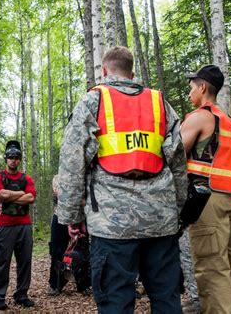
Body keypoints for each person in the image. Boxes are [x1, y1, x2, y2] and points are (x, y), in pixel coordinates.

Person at [57, 46, 187, 313]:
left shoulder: (93, 101)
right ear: (133, 73)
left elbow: (72, 161)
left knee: (115, 301)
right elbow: (178, 161)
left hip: (111, 224)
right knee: (166, 299)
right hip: (160, 221)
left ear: (104, 71)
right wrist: (178, 210)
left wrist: (71, 216)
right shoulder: (159, 102)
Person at [181, 65, 231, 313]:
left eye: (192, 87)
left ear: (202, 87)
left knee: (212, 268)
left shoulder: (200, 117)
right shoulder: (230, 124)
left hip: (207, 203)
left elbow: (173, 154)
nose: (189, 93)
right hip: (228, 201)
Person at [0, 140, 36, 310]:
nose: (13, 160)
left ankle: (21, 294)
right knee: (1, 261)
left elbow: (31, 198)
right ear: (6, 158)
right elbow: (0, 195)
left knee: (25, 261)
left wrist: (10, 196)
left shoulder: (26, 178)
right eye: (10, 157)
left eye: (16, 157)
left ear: (20, 159)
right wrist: (21, 193)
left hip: (24, 225)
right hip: (4, 225)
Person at [48, 174, 70, 296]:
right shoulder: (57, 177)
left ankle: (83, 285)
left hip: (79, 217)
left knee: (81, 250)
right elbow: (59, 193)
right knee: (57, 251)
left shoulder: (81, 177)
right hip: (60, 217)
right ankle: (55, 284)